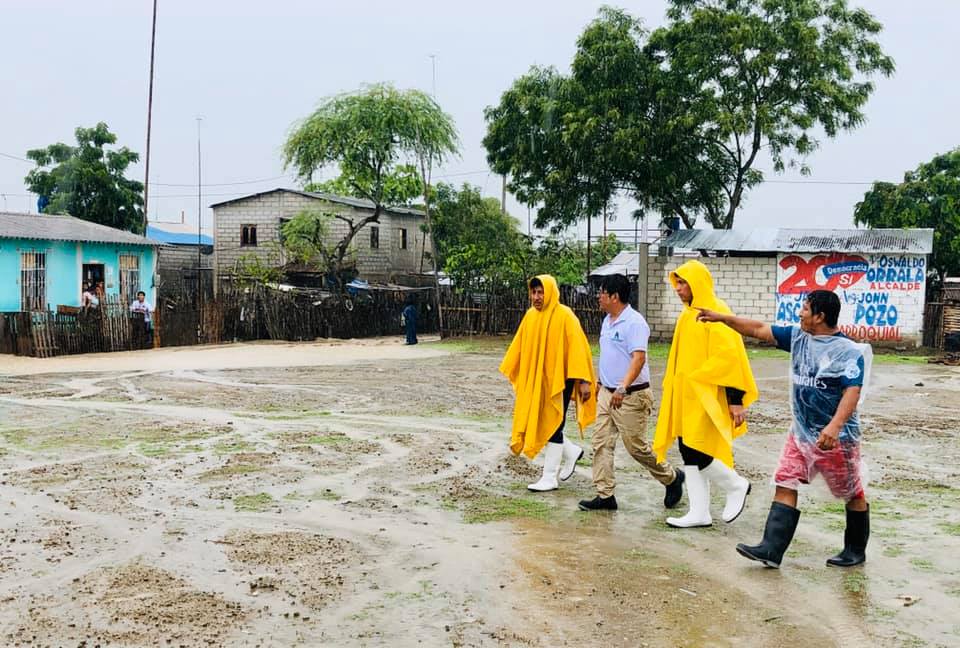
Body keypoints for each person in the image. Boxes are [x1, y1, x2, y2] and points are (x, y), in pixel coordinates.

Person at [697, 290, 872, 569]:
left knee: (851, 491)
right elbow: (758, 329)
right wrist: (722, 318)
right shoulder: (798, 338)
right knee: (785, 480)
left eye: (805, 308)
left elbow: (852, 391)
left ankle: (855, 549)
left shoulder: (848, 351)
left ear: (820, 316)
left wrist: (834, 426)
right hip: (801, 433)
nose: (800, 313)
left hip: (836, 438)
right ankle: (771, 548)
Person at [653, 260, 758, 528]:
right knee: (687, 448)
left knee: (697, 449)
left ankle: (736, 484)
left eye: (683, 283)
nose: (678, 288)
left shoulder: (716, 311)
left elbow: (730, 358)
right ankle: (699, 512)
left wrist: (735, 400)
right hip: (686, 397)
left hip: (707, 396)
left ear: (697, 283)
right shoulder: (686, 315)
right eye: (677, 282)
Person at [578, 274, 685, 512]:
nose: (598, 297)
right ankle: (605, 495)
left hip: (631, 396)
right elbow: (610, 356)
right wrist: (600, 382)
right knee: (601, 443)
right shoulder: (607, 321)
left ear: (614, 297)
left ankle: (671, 477)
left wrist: (622, 387)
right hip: (607, 394)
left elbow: (638, 359)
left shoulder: (635, 323)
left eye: (602, 293)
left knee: (636, 447)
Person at [500, 275, 597, 492]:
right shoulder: (530, 316)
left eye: (540, 292)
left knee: (554, 425)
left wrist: (584, 381)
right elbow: (519, 347)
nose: (536, 297)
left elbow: (578, 349)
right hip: (537, 381)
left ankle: (549, 477)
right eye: (533, 292)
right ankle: (571, 452)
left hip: (560, 382)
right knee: (542, 421)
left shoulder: (565, 315)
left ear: (550, 292)